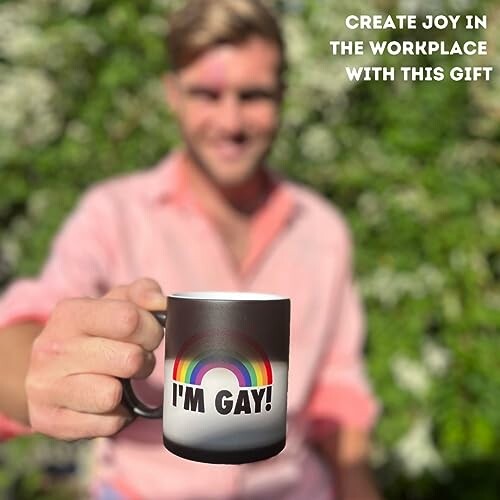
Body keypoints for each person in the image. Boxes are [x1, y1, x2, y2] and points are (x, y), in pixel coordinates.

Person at [0, 1, 382, 498]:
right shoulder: (114, 214)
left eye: (253, 95)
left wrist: (359, 486)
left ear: (283, 97)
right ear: (172, 95)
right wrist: (36, 375)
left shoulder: (322, 230)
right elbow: (24, 334)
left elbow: (338, 393)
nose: (230, 122)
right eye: (207, 93)